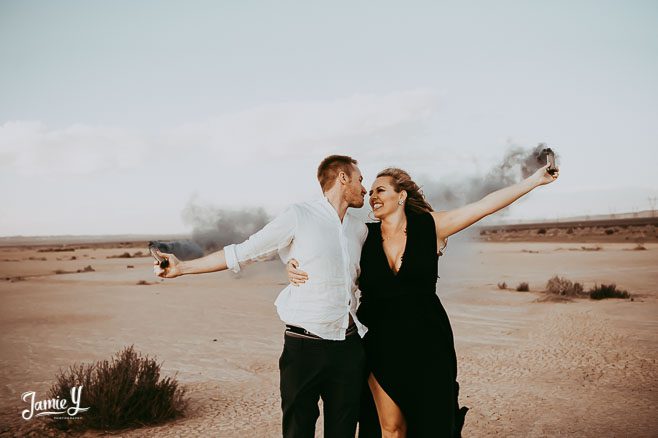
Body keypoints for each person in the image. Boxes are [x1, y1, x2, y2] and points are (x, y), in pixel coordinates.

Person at [287, 162, 559, 437]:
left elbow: (485, 205)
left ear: (401, 195)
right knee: (391, 427)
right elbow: (322, 246)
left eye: (380, 190)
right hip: (379, 340)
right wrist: (293, 264)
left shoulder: (432, 227)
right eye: (369, 192)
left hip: (427, 339)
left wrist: (534, 181)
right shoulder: (362, 234)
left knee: (431, 421)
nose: (372, 197)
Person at [153, 155, 371, 438]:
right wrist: (183, 268)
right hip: (305, 347)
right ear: (343, 178)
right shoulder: (299, 215)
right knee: (297, 432)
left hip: (348, 348)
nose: (364, 189)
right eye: (360, 180)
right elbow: (245, 252)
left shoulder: (360, 229)